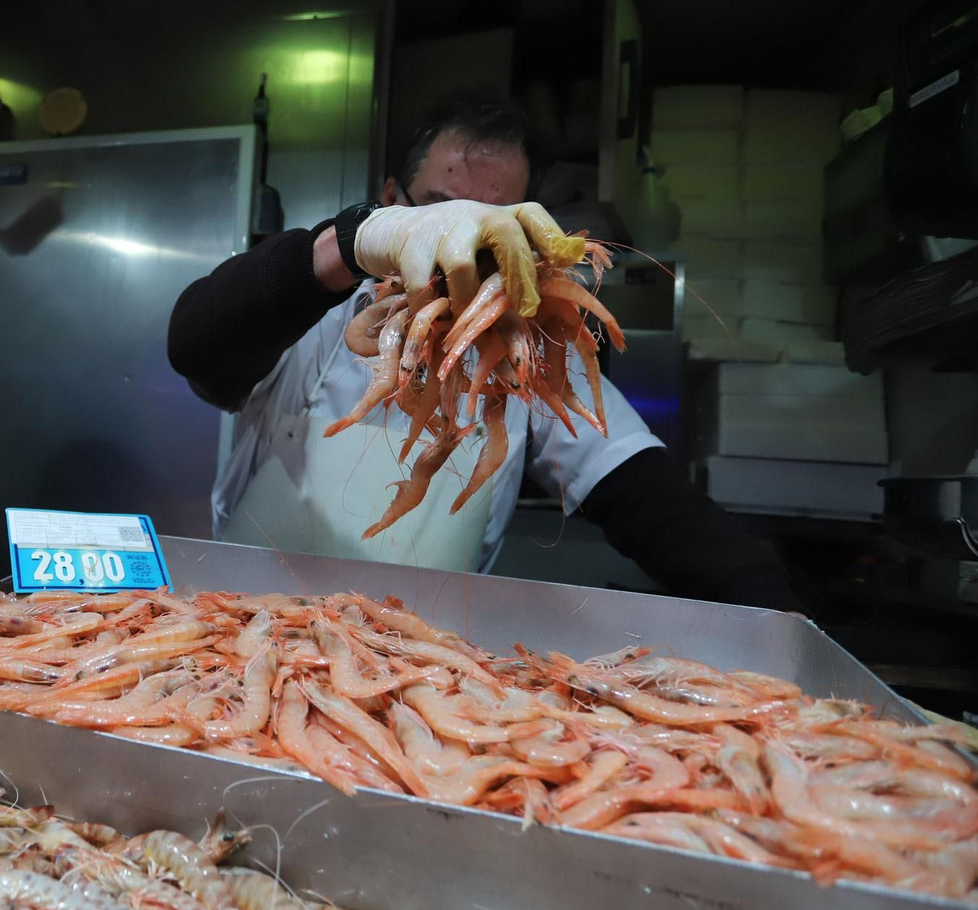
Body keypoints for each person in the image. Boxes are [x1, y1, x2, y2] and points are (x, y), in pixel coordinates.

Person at [168, 90, 802, 612]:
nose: (464, 243)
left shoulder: (528, 351)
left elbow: (654, 503)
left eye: (490, 224)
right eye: (442, 212)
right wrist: (352, 239)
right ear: (392, 199)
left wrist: (781, 618)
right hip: (239, 623)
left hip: (422, 660)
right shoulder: (313, 316)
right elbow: (196, 346)